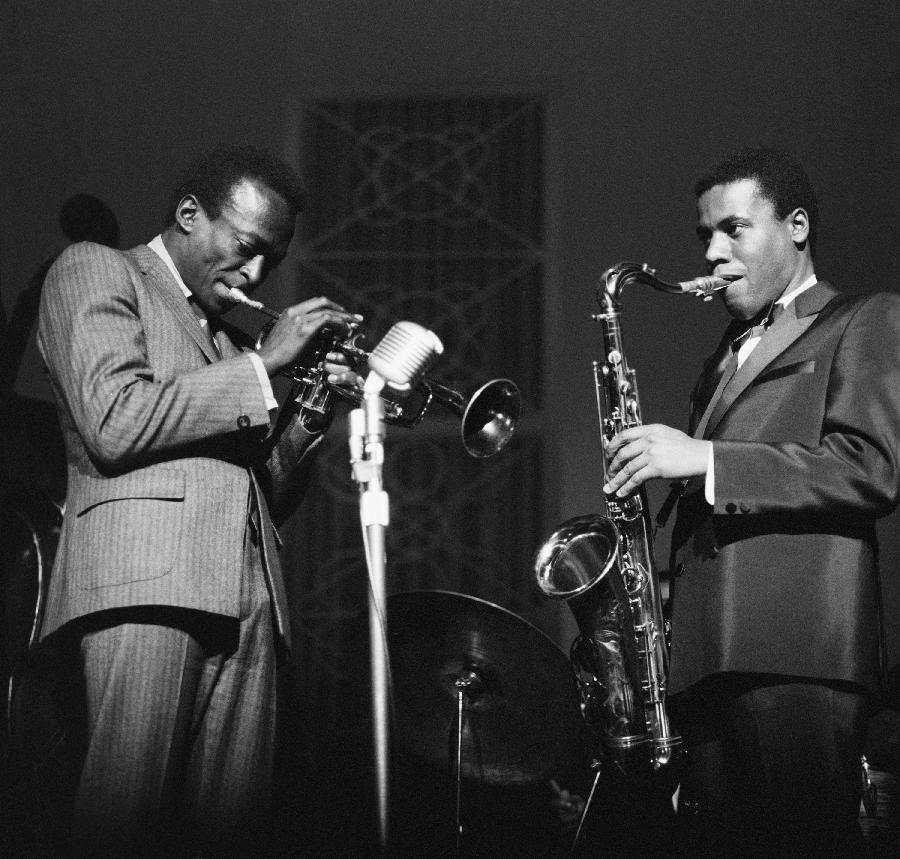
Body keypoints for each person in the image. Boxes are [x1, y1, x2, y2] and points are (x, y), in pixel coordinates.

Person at [35, 143, 361, 856]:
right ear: (188, 214)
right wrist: (263, 363)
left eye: (269, 262)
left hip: (249, 604)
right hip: (145, 586)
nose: (253, 275)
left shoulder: (226, 341)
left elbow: (261, 488)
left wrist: (310, 406)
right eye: (244, 249)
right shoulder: (97, 269)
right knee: (123, 826)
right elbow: (114, 419)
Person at [602, 147, 900, 856]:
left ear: (796, 226)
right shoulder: (722, 359)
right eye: (705, 234)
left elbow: (873, 467)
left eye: (735, 229)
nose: (713, 251)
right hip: (706, 664)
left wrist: (703, 459)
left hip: (797, 654)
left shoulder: (864, 318)